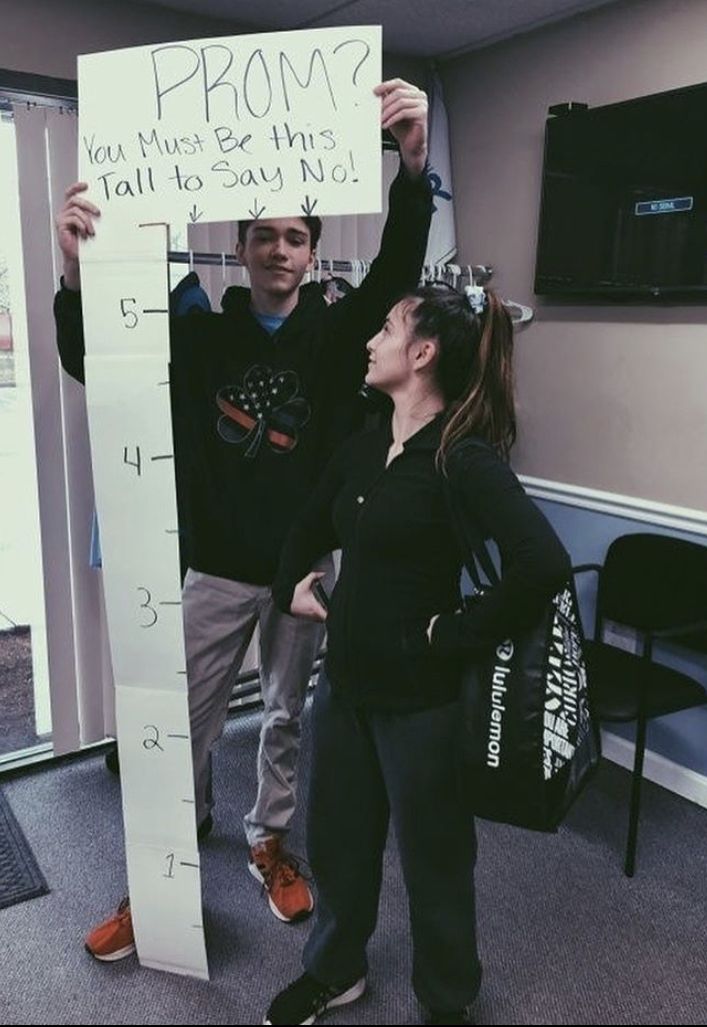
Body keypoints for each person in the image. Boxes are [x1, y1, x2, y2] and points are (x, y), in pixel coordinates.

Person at [53, 78, 432, 959]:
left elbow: (399, 272)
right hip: (218, 565)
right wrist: (76, 268)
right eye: (263, 234)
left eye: (295, 237)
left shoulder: (341, 341)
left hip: (299, 570)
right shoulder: (198, 337)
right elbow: (93, 359)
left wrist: (412, 165)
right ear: (240, 244)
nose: (278, 250)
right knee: (181, 720)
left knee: (287, 715)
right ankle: (161, 874)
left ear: (311, 251)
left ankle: (271, 843)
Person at [265, 283, 571, 1025]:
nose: (371, 340)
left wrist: (452, 633)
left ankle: (446, 997)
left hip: (422, 704)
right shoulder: (365, 447)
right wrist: (289, 586)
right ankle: (336, 970)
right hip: (342, 692)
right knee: (338, 846)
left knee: (434, 863)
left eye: (386, 327)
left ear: (423, 353)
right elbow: (308, 520)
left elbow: (543, 562)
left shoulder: (460, 459)